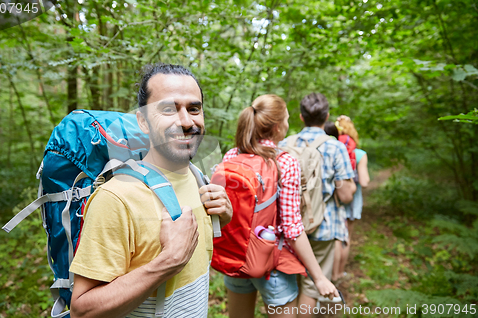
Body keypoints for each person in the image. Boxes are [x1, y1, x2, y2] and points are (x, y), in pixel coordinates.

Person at [69, 64, 233, 318]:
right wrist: (166, 263)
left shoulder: (198, 178)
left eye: (194, 108)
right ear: (143, 121)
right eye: (168, 109)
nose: (186, 121)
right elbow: (82, 310)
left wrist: (224, 217)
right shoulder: (117, 198)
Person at [222, 94, 338, 318]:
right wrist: (319, 277)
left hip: (236, 258)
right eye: (286, 119)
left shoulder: (232, 155)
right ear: (277, 126)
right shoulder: (284, 161)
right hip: (272, 266)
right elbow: (292, 229)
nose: (287, 123)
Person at [279, 93, 356, 317]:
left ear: (301, 117)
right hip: (323, 225)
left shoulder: (284, 143)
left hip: (288, 226)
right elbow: (346, 196)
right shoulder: (335, 147)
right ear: (327, 116)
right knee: (313, 285)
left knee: (290, 282)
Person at [332, 116, 370, 282]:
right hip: (353, 200)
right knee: (346, 237)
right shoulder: (360, 154)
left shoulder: (332, 149)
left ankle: (330, 273)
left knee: (335, 238)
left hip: (335, 198)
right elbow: (364, 181)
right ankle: (340, 273)